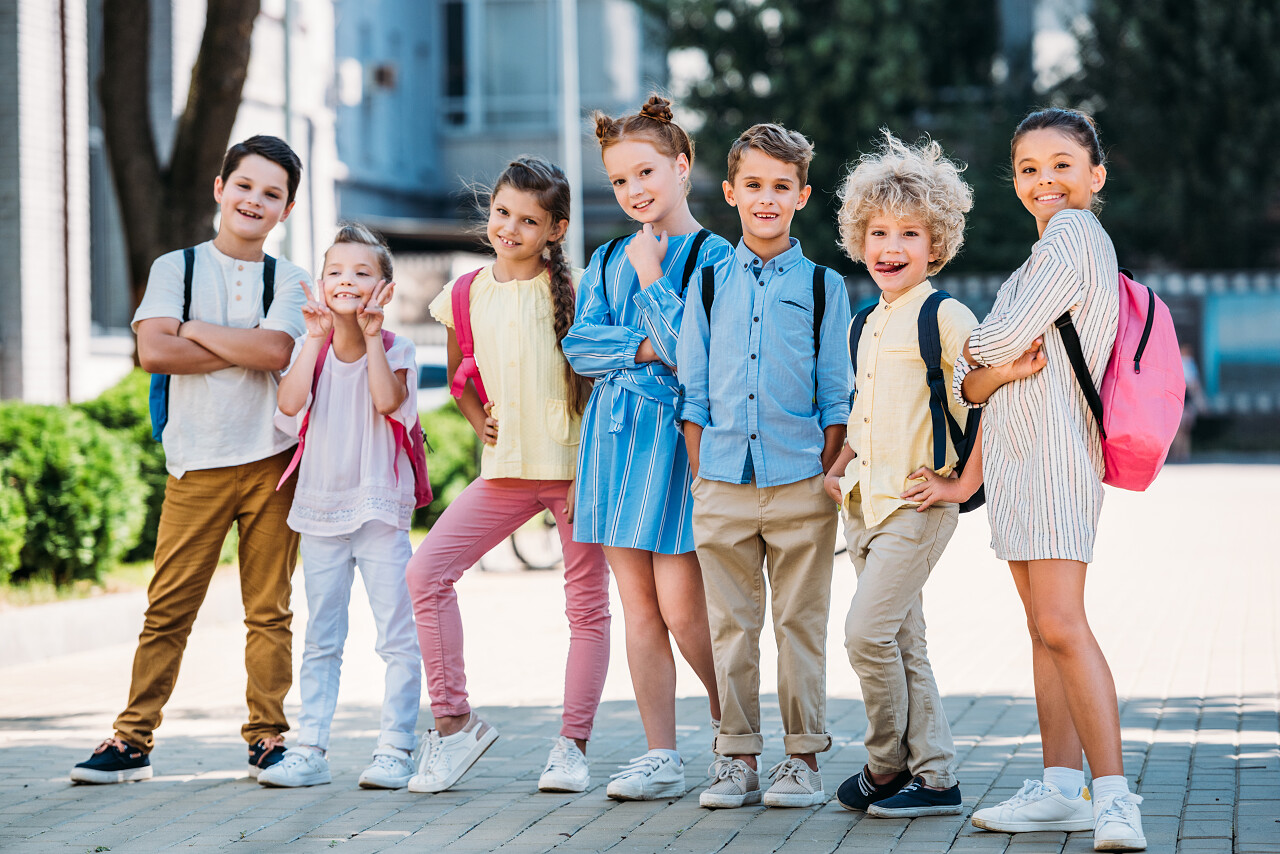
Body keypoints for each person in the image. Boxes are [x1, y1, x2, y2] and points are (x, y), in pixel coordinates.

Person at [71, 136, 310, 784]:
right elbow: (155, 353)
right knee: (168, 609)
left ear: (285, 209)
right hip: (196, 463)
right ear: (219, 188)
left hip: (271, 463)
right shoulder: (174, 267)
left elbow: (274, 352)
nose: (254, 201)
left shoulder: (288, 279)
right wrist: (239, 343)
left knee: (270, 611)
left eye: (271, 194)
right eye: (245, 186)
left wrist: (194, 329)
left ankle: (268, 739)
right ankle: (132, 741)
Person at [937, 108, 1145, 851]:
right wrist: (981, 375)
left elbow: (982, 348)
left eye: (1062, 164)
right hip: (1023, 463)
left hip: (1057, 459)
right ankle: (1061, 788)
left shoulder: (1076, 236)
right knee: (1041, 630)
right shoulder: (1038, 259)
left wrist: (980, 369)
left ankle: (1115, 797)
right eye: (1029, 168)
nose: (1044, 180)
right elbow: (976, 380)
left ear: (1095, 175)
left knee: (1062, 624)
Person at [405, 157, 611, 795]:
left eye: (528, 220)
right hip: (506, 473)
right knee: (426, 573)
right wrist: (477, 421)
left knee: (587, 609)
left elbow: (601, 385)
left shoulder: (579, 294)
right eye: (502, 213)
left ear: (555, 229)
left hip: (576, 473)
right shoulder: (464, 293)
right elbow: (462, 371)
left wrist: (591, 470)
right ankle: (455, 722)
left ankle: (572, 746)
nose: (510, 228)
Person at [678, 123, 850, 809]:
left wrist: (826, 472)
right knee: (731, 627)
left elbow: (836, 394)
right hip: (720, 481)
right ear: (730, 193)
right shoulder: (709, 283)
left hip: (801, 483)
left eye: (782, 187)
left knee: (799, 626)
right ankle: (736, 758)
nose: (767, 199)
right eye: (754, 186)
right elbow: (691, 389)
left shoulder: (822, 286)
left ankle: (802, 759)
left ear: (802, 195)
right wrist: (700, 473)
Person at [562, 94, 729, 801]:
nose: (634, 190)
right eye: (620, 179)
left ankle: (736, 733)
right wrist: (641, 345)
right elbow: (578, 344)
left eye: (646, 172)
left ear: (682, 164)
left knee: (685, 610)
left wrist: (656, 280)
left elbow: (698, 356)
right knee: (637, 610)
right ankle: (661, 754)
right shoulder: (602, 258)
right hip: (612, 445)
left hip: (676, 450)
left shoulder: (717, 254)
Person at [825, 132, 989, 819]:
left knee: (865, 635)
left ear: (936, 243)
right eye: (879, 232)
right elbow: (867, 411)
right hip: (865, 508)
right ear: (860, 238)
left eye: (910, 233)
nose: (891, 246)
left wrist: (959, 486)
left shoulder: (945, 315)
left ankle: (885, 763)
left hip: (919, 506)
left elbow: (986, 404)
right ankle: (937, 776)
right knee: (903, 641)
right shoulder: (867, 319)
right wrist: (841, 469)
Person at [258, 223, 421, 790]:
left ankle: (396, 748)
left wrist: (372, 336)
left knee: (396, 635)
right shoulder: (314, 350)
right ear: (320, 282)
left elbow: (385, 401)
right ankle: (309, 749)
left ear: (385, 288)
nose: (346, 281)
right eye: (334, 272)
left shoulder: (399, 348)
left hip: (378, 510)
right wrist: (312, 340)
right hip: (320, 511)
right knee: (322, 637)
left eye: (361, 273)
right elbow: (288, 402)